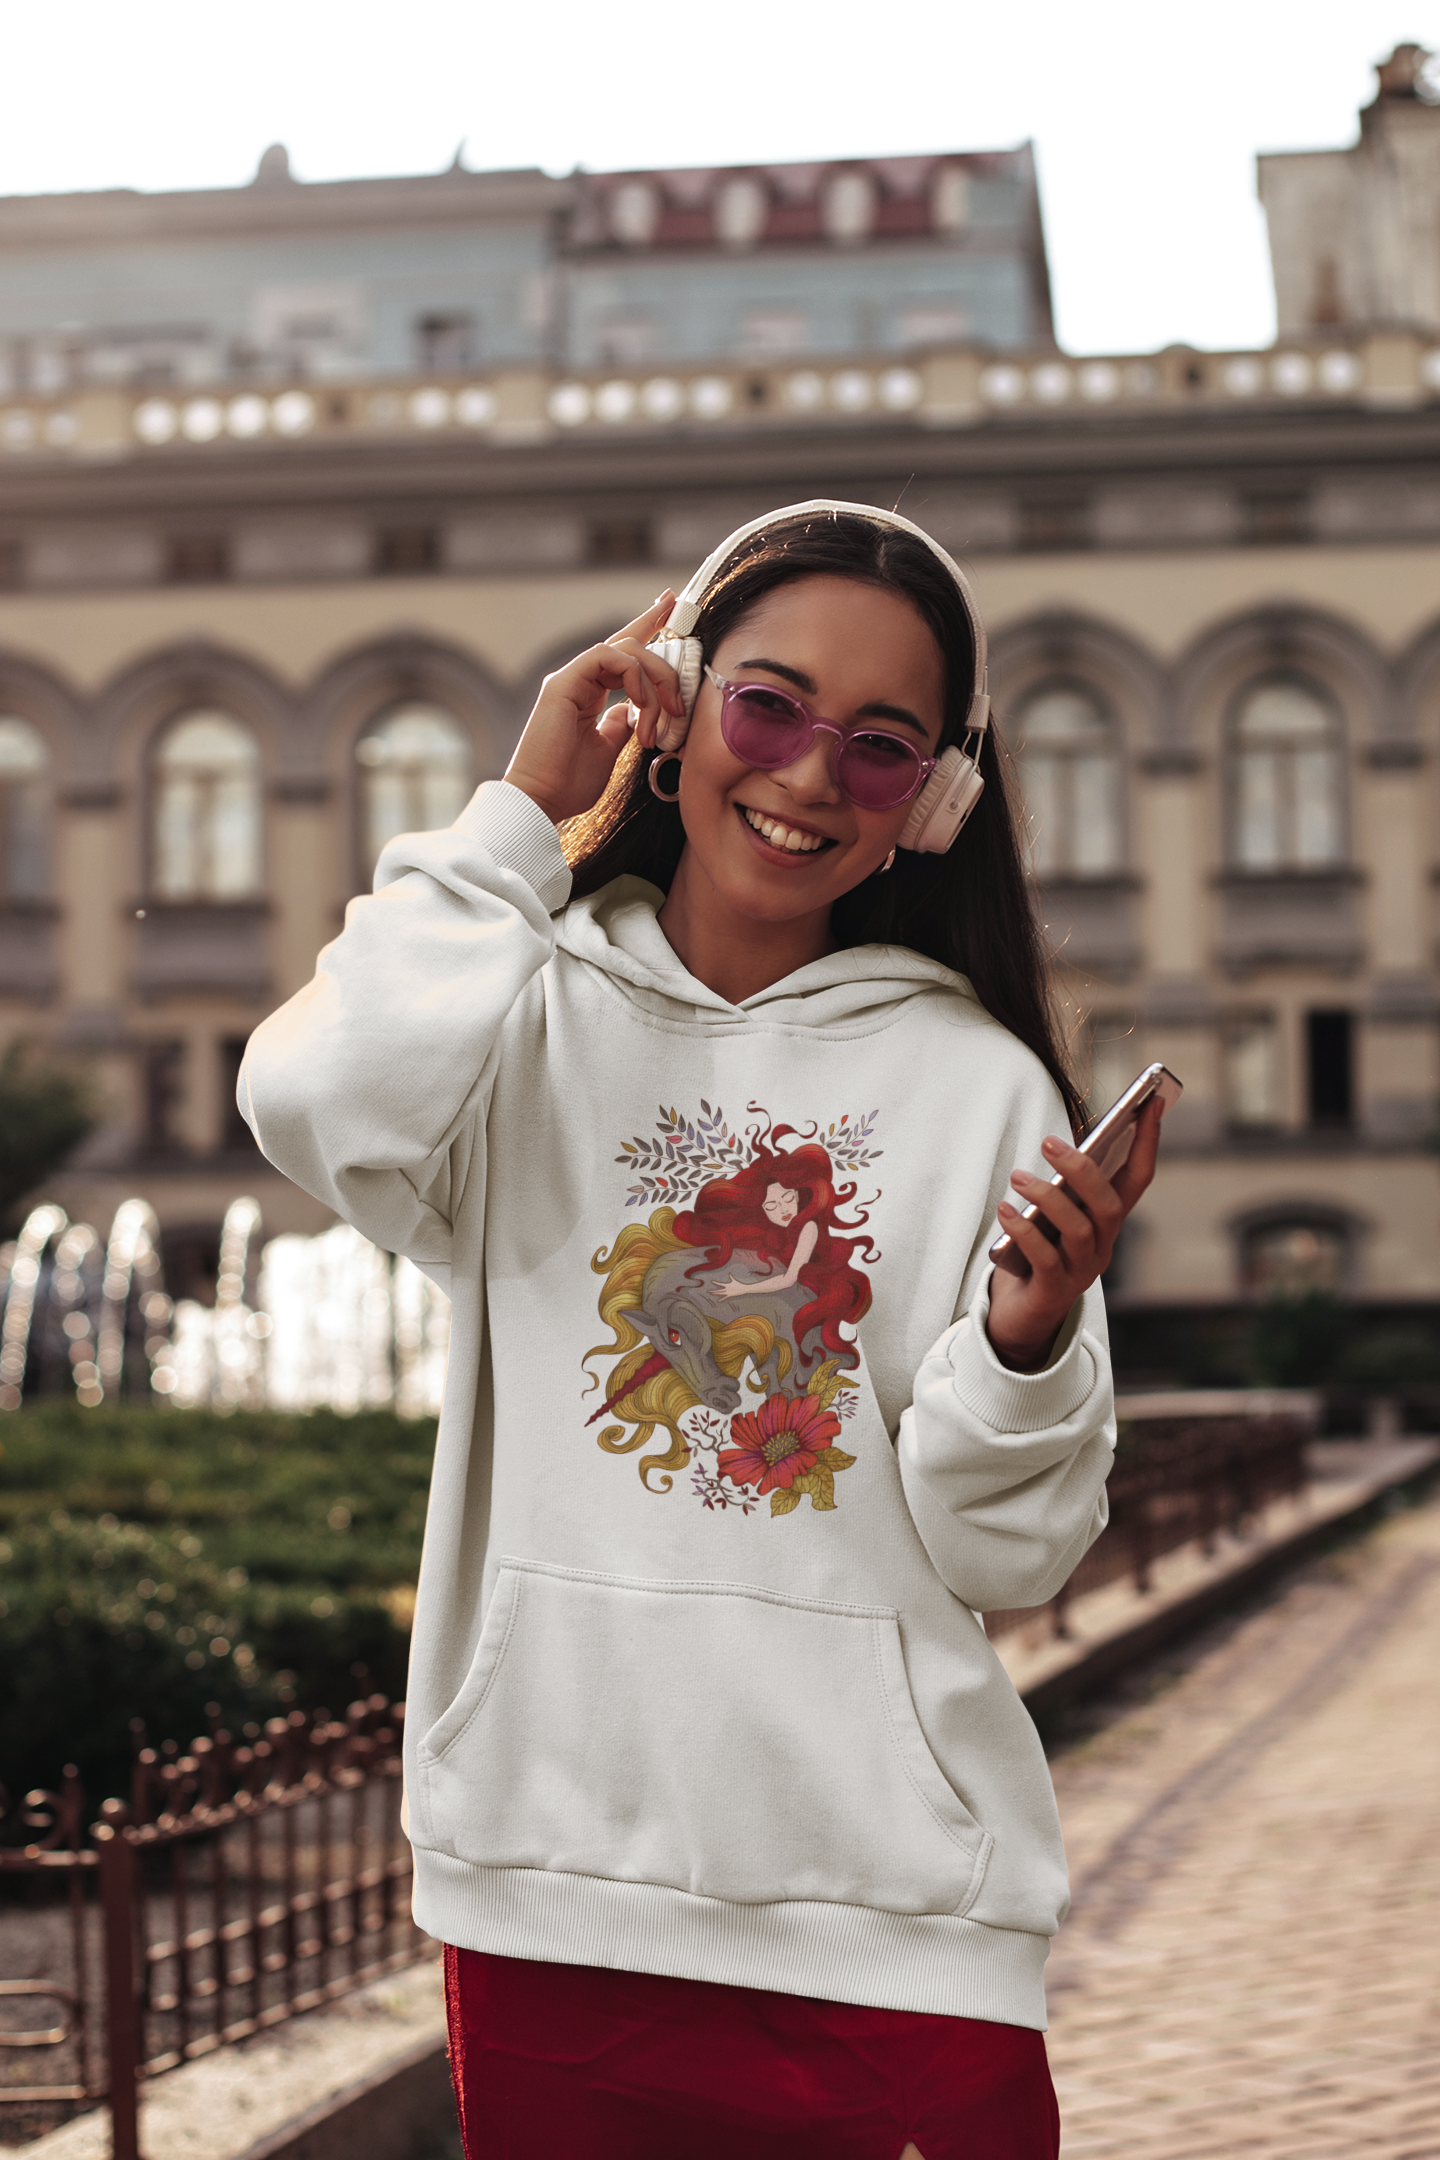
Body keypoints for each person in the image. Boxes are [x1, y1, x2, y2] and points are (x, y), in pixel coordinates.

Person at [238, 501, 1164, 2159]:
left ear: (933, 799)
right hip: (557, 1905)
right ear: (675, 711)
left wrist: (1023, 1349)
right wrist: (525, 811)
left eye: (881, 747)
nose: (812, 774)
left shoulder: (980, 1087)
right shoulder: (511, 1020)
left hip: (903, 1919)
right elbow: (314, 1100)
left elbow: (1007, 1554)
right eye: (769, 706)